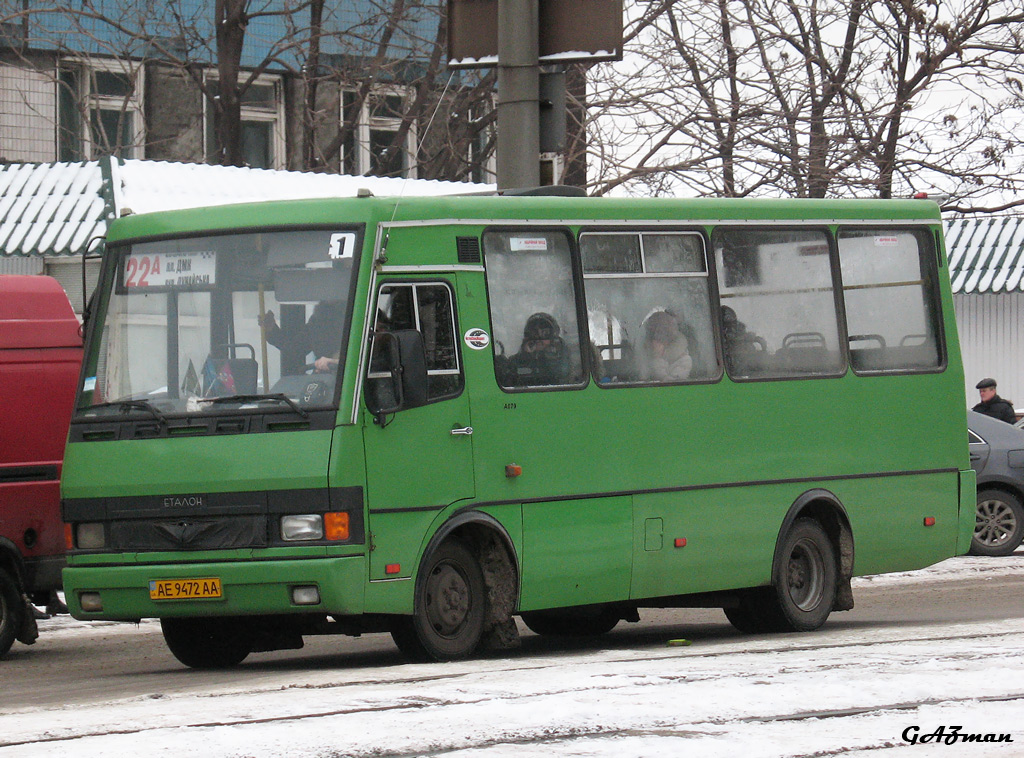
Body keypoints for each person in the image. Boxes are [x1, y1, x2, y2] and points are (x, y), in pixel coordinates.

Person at [259, 300, 345, 373]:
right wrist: (272, 330)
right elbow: (296, 347)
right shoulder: (319, 319)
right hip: (323, 379)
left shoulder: (355, 313)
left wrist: (335, 362)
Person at [502, 312, 572, 386]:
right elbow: (509, 381)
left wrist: (550, 358)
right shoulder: (517, 361)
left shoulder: (562, 358)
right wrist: (525, 357)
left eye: (545, 333)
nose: (538, 339)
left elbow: (563, 377)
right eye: (534, 333)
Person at [642, 311, 692, 382]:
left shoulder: (684, 360)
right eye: (652, 339)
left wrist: (657, 358)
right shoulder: (644, 356)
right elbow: (642, 378)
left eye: (658, 340)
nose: (654, 343)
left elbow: (669, 384)